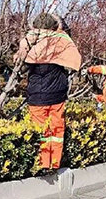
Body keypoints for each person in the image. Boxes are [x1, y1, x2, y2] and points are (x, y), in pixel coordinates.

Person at [15, 13, 81, 170]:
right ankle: (54, 163)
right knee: (57, 131)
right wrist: (61, 27)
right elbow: (72, 58)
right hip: (57, 95)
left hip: (37, 96)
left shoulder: (30, 44)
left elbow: (20, 66)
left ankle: (43, 164)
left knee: (41, 131)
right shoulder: (61, 42)